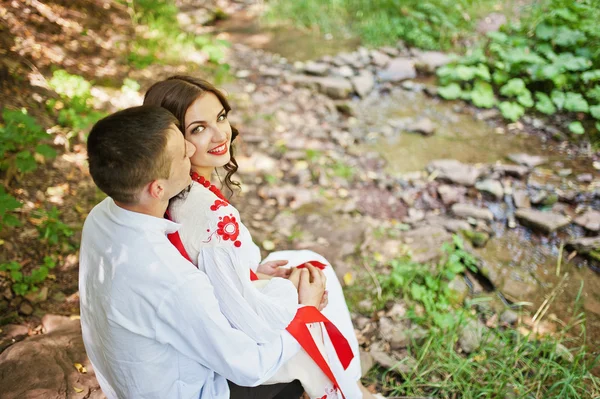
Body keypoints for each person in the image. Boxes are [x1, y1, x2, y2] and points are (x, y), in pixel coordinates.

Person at [79, 105, 328, 399]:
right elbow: (250, 367)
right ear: (158, 189)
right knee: (301, 355)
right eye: (183, 153)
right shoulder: (172, 280)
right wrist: (306, 311)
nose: (191, 147)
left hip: (129, 382)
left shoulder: (101, 216)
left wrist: (246, 273)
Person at [143, 76, 365, 399]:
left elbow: (208, 273)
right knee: (315, 277)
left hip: (214, 314)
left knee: (307, 264)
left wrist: (257, 275)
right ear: (174, 139)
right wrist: (304, 305)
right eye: (198, 128)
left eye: (220, 117)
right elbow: (252, 323)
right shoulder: (210, 214)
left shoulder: (172, 193)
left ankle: (352, 384)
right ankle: (349, 390)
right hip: (234, 351)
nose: (221, 134)